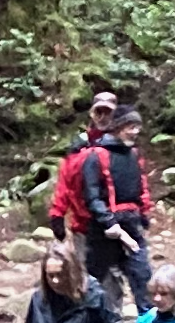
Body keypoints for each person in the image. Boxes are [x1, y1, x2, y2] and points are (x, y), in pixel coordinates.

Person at [71, 99, 158, 306]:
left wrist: (143, 216)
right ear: (118, 127)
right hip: (103, 232)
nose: (135, 132)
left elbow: (140, 188)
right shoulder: (95, 156)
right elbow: (91, 196)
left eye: (137, 127)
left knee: (143, 279)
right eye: (131, 127)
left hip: (132, 225)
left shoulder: (133, 155)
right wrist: (110, 223)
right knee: (95, 284)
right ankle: (91, 320)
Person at [46, 92, 120, 242]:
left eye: (108, 112)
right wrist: (57, 214)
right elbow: (66, 180)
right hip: (84, 224)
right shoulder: (79, 147)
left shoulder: (124, 146)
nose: (103, 117)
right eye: (99, 112)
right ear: (92, 114)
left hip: (119, 221)